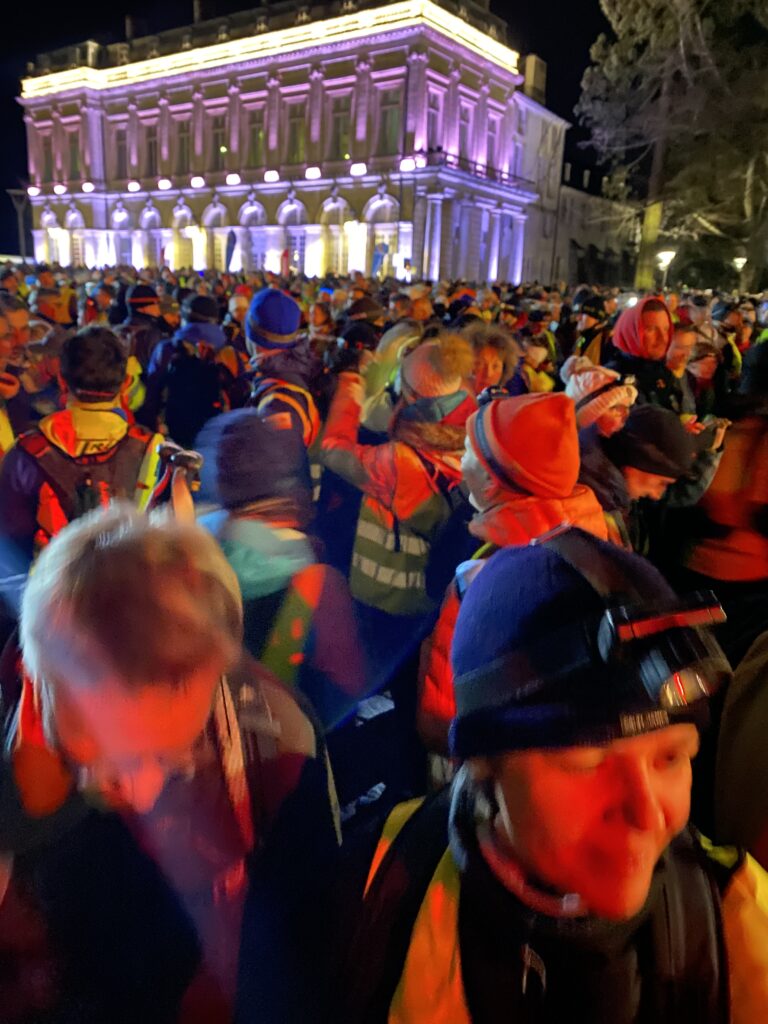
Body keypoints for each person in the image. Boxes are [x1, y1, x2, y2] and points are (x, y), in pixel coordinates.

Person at [334, 530, 768, 1023]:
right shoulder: (372, 891)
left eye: (670, 758)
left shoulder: (737, 920)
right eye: (587, 763)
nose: (647, 812)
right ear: (483, 763)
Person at [0, 505, 339, 1022]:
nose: (139, 792)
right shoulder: (21, 721)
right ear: (33, 681)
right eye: (100, 758)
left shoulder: (277, 755)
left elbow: (304, 940)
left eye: (170, 755)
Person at [417, 393, 609, 754]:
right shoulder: (596, 540)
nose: (461, 459)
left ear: (491, 481)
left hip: (487, 752)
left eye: (470, 451)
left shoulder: (481, 578)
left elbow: (445, 700)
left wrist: (440, 736)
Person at [196, 408, 364, 730]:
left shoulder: (188, 556)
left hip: (207, 742)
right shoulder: (318, 584)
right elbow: (348, 689)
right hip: (283, 751)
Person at [0, 328, 162, 587]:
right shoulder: (154, 449)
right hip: (132, 592)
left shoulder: (26, 453)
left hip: (55, 596)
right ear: (123, 385)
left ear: (63, 382)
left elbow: (10, 546)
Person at [606, 296, 675, 407]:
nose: (663, 338)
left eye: (666, 329)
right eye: (651, 330)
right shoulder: (611, 378)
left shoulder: (664, 371)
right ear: (630, 333)